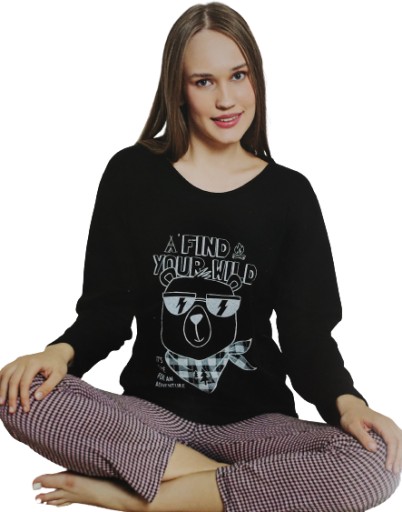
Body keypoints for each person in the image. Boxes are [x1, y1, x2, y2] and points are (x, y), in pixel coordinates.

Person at [0, 2, 401, 511]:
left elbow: (307, 338)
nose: (226, 99)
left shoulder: (290, 195)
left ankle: (138, 499)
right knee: (20, 393)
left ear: (256, 77)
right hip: (149, 420)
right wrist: (56, 355)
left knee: (376, 461)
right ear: (178, 89)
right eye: (204, 81)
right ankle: (240, 489)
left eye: (238, 75)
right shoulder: (132, 175)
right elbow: (107, 312)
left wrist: (348, 404)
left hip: (257, 427)